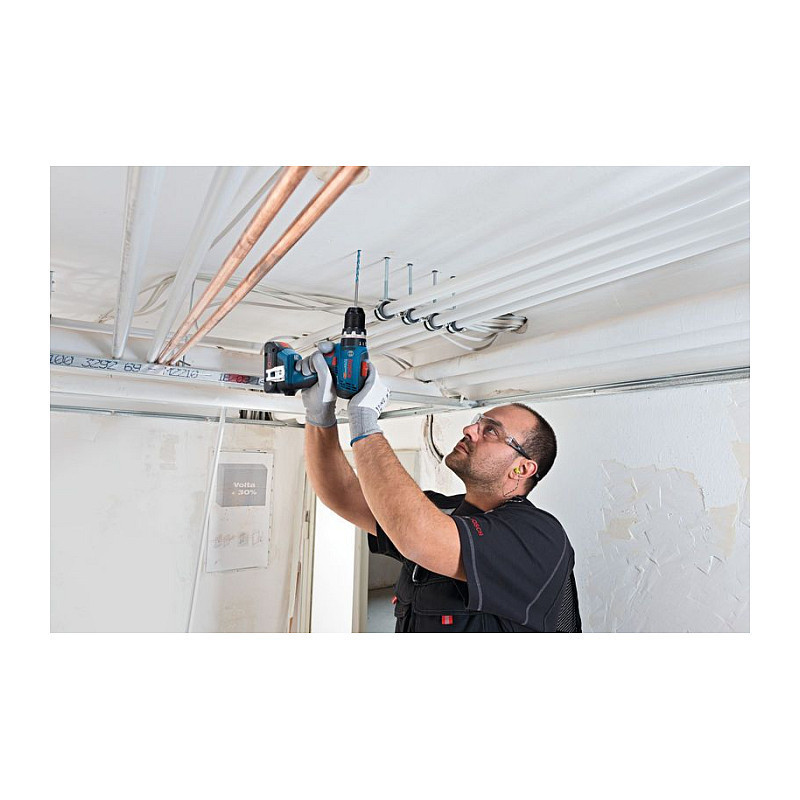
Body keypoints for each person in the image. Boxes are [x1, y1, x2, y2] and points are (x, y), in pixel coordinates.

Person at [301, 342, 581, 633]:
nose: (469, 430)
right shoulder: (442, 512)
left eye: (491, 430)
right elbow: (343, 493)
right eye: (477, 423)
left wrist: (364, 422)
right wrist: (320, 416)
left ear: (521, 469)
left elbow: (418, 536)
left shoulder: (537, 536)